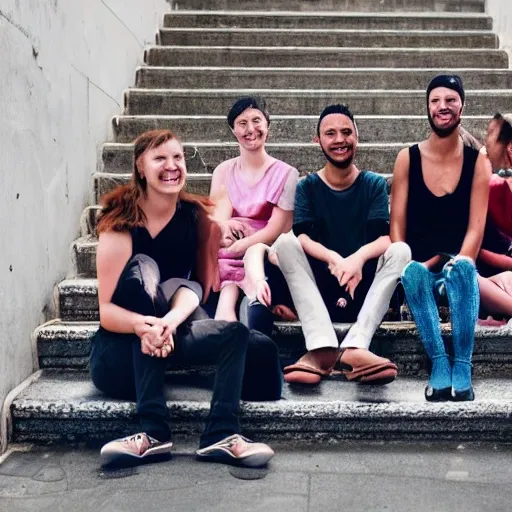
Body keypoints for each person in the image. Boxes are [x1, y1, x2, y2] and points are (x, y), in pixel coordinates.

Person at [90, 129, 275, 468]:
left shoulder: (195, 218)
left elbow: (197, 290)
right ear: (140, 167)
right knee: (144, 270)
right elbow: (106, 312)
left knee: (239, 335)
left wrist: (168, 323)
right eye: (160, 158)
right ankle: (153, 432)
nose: (172, 166)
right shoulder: (118, 223)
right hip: (117, 357)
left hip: (170, 336)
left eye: (178, 157)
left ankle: (221, 434)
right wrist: (142, 326)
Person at [245, 104, 411, 385]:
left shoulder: (373, 184)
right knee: (285, 243)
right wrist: (334, 259)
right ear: (317, 140)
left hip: (362, 286)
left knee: (401, 250)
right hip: (319, 288)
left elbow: (385, 237)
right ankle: (321, 346)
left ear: (357, 137)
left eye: (346, 132)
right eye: (330, 133)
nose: (339, 140)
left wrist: (356, 259)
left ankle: (357, 345)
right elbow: (304, 237)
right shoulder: (307, 187)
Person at [390, 75, 491, 402]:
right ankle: (439, 363)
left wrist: (460, 260)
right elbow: (397, 227)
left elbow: (476, 228)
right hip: (419, 271)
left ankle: (462, 365)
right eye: (436, 100)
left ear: (462, 106)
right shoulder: (408, 158)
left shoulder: (479, 161)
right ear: (427, 107)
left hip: (457, 270)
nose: (443, 107)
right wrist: (406, 260)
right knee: (414, 271)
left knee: (463, 268)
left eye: (450, 100)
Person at [209, 97, 299, 322]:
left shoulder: (287, 174)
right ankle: (226, 311)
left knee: (251, 254)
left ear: (267, 124)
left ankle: (239, 306)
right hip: (228, 249)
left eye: (257, 120)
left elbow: (279, 228)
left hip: (264, 250)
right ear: (233, 130)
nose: (251, 129)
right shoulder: (223, 171)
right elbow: (219, 219)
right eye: (242, 123)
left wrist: (242, 244)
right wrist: (227, 231)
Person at [475, 113, 512, 322]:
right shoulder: (490, 188)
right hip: (493, 279)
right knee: (466, 280)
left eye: (491, 134)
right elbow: (477, 250)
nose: (486, 140)